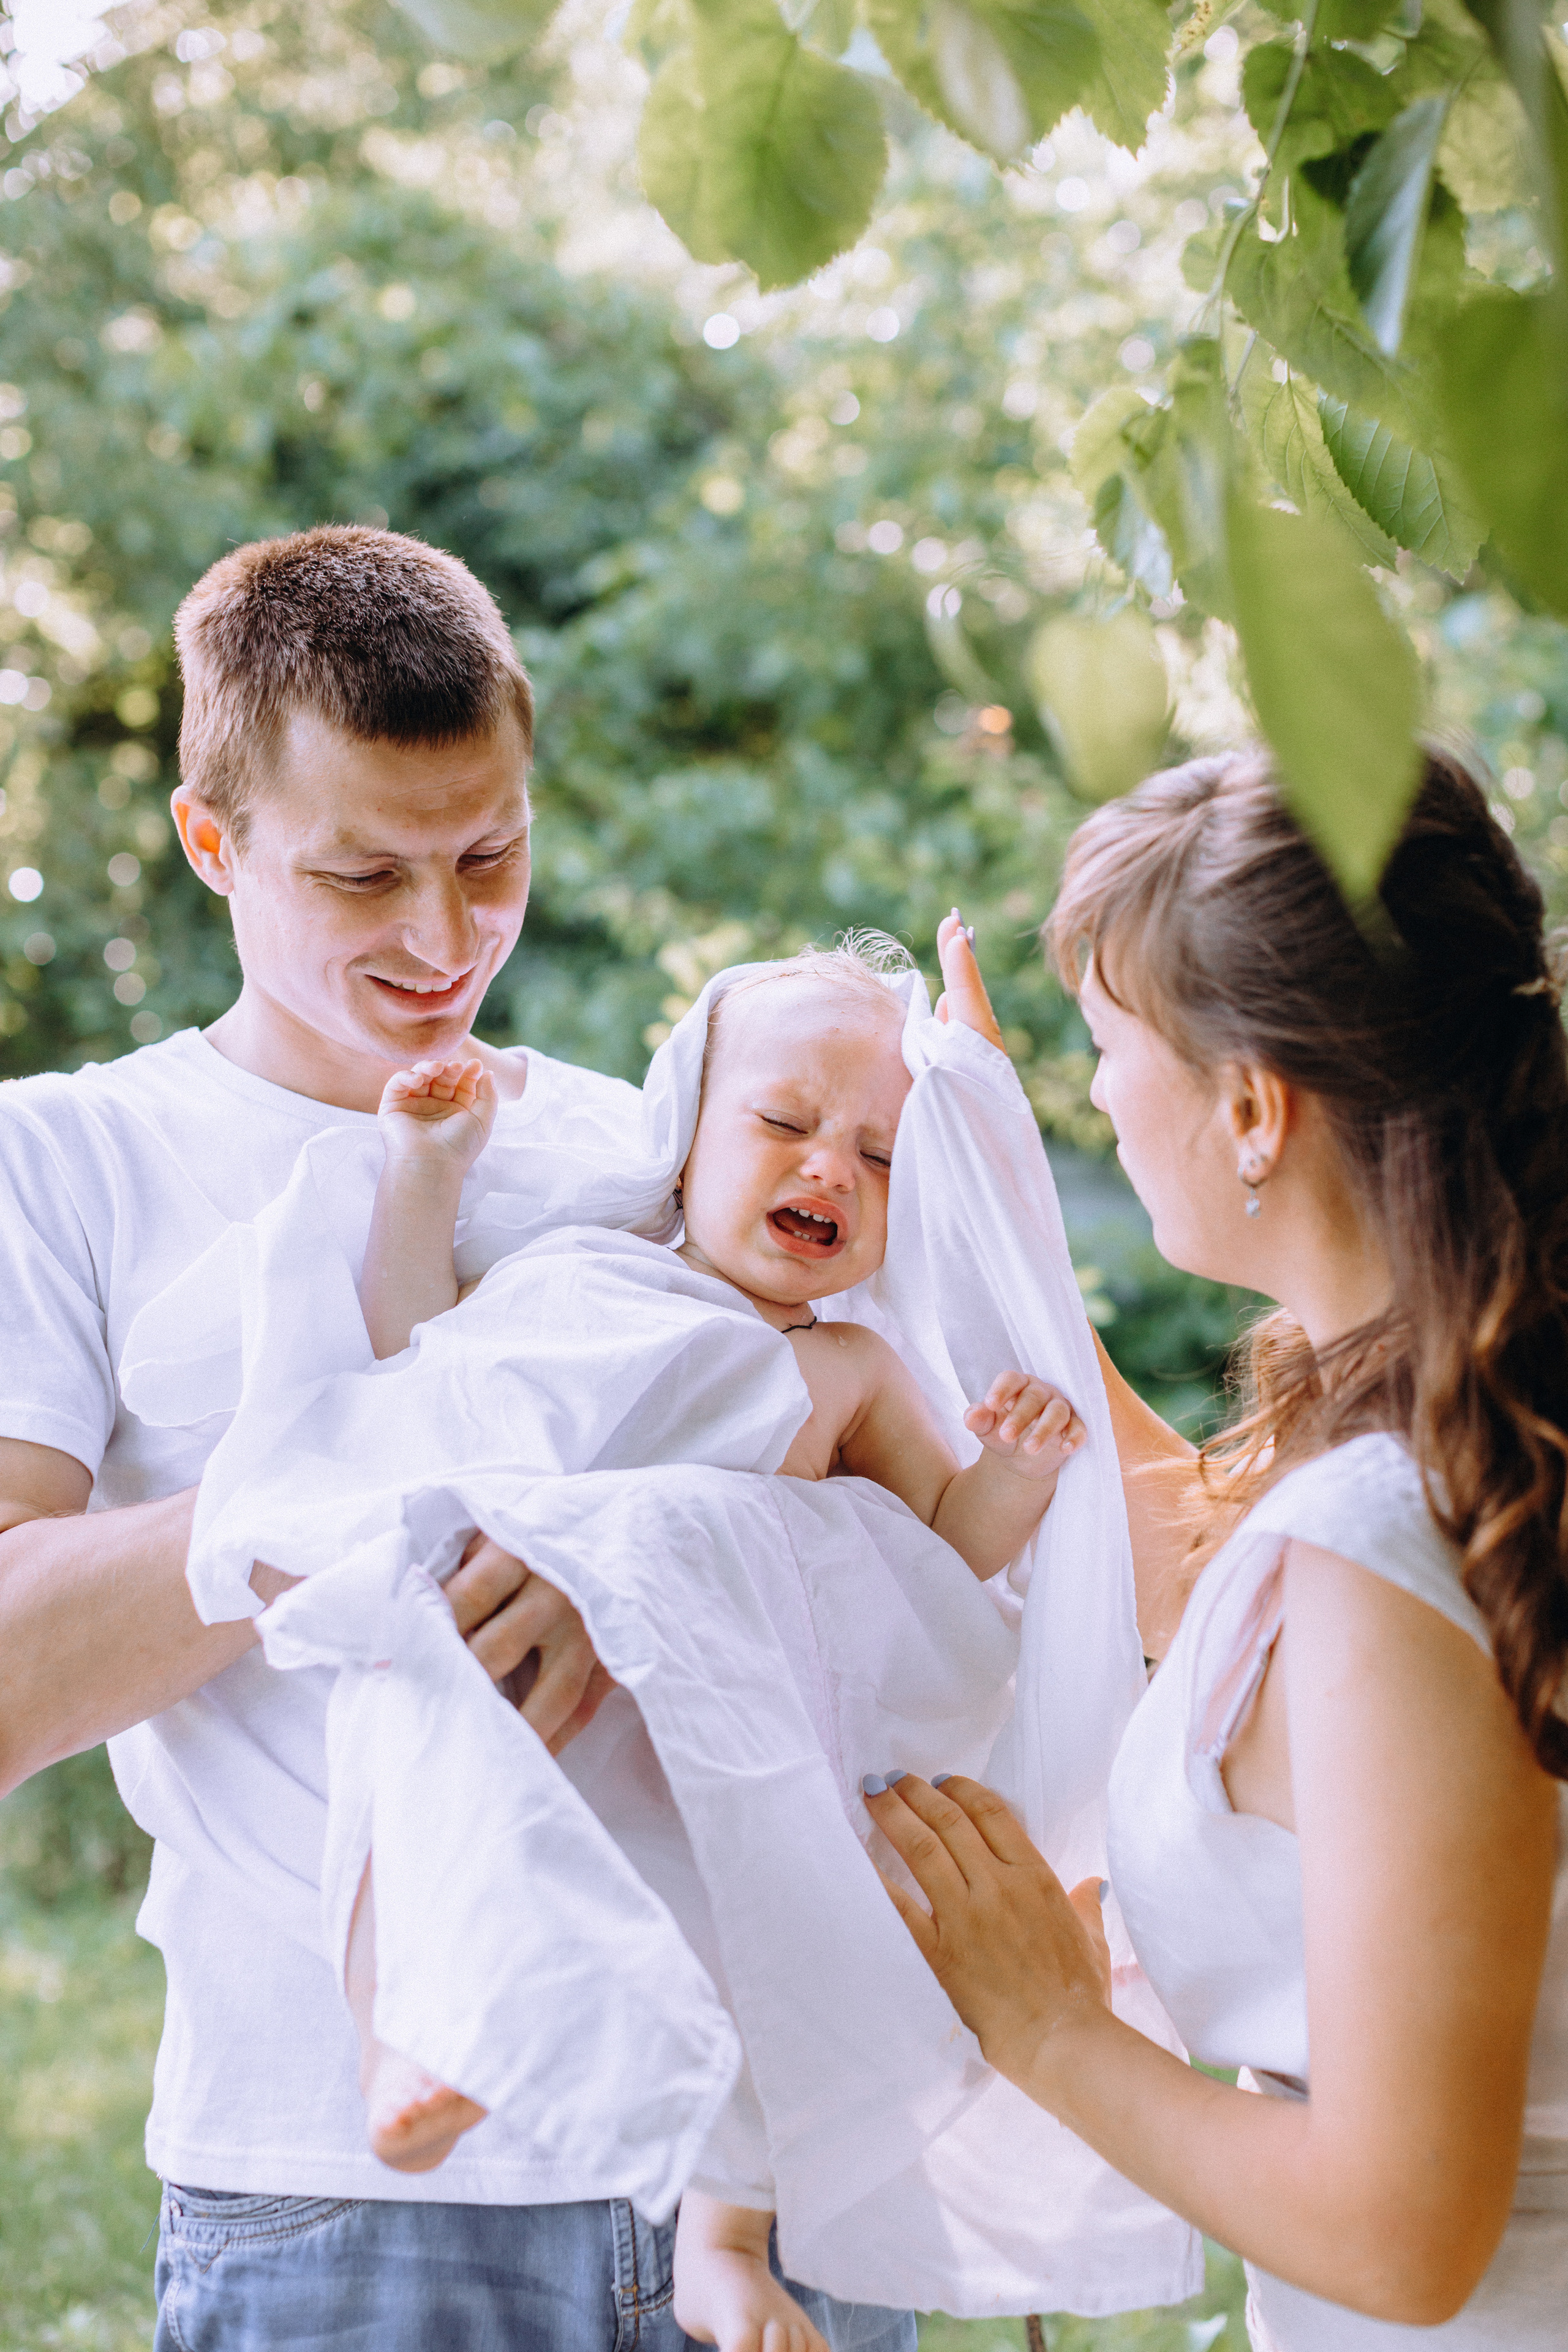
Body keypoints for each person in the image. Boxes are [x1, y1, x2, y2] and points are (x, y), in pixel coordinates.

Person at [0, 526, 893, 2351]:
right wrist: (355, 1510)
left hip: (753, 2160)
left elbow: (912, 1497)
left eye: (490, 856)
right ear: (213, 843)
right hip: (346, 2197)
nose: (441, 938)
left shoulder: (655, 1150)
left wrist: (630, 1562)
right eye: (362, 875)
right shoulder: (66, 1163)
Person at [864, 747, 1568, 2350]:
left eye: (1109, 1045)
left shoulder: (1392, 1539)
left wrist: (1048, 2027)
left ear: (1252, 1105)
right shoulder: (1471, 1435)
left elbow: (1405, 2236)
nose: (1097, 1091)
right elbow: (1218, 1595)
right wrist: (999, 1208)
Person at [339, 927, 1085, 2351]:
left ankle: (726, 2243)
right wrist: (427, 1172)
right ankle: (405, 2031)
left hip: (721, 1748)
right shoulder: (579, 1274)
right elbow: (411, 1357)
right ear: (683, 1136)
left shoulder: (847, 1367)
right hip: (520, 1679)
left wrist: (1017, 1469)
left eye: (876, 1159)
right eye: (786, 1123)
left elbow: (946, 1543)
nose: (828, 1169)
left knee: (766, 1964)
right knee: (416, 1754)